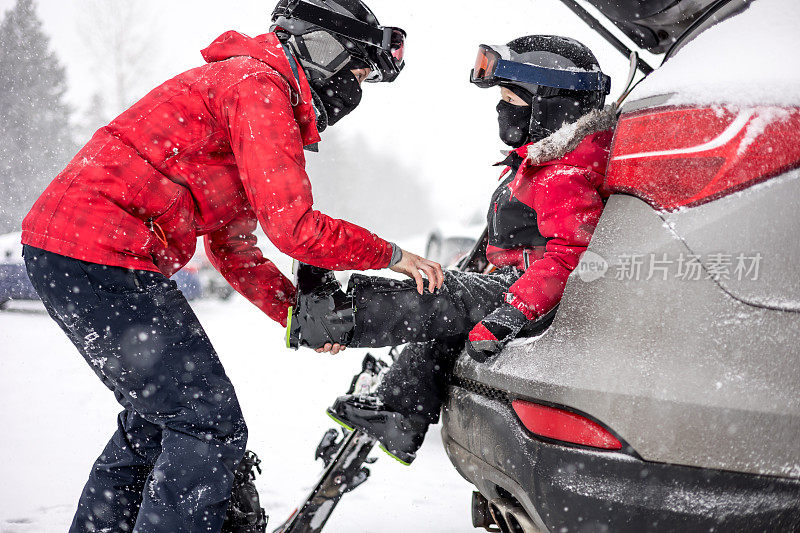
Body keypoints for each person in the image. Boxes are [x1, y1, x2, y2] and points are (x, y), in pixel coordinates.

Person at [19, 1, 443, 531]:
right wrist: (394, 256)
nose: (354, 90)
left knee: (158, 420)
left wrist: (297, 314)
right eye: (356, 71)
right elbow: (295, 227)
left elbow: (234, 249)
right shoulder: (258, 87)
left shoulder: (249, 89)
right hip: (100, 251)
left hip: (77, 249)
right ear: (323, 50)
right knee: (208, 424)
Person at [288, 35, 616, 465]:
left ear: (553, 103)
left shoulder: (563, 173)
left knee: (443, 299)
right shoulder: (542, 165)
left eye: (511, 98)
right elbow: (507, 242)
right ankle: (398, 412)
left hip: (530, 297)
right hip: (514, 283)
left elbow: (571, 255)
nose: (503, 109)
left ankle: (337, 318)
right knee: (446, 304)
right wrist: (470, 266)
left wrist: (511, 314)